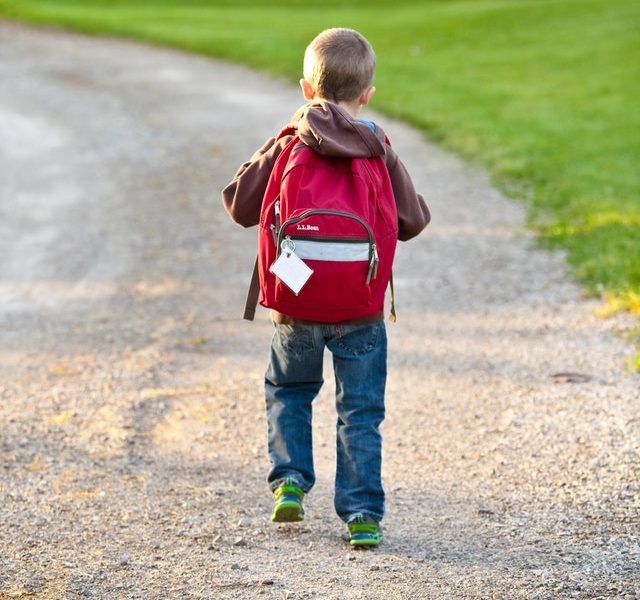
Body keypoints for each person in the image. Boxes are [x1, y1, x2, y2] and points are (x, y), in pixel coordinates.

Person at [221, 27, 430, 547]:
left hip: (296, 306)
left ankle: (290, 481)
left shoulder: (291, 141)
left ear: (305, 90)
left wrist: (280, 138)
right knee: (359, 410)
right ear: (367, 94)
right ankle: (361, 514)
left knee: (289, 391)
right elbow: (413, 220)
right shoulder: (377, 144)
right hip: (361, 307)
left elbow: (239, 205)